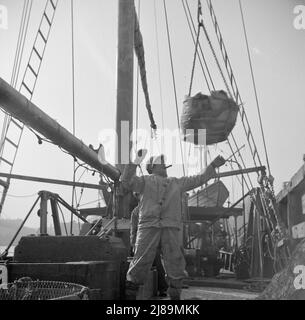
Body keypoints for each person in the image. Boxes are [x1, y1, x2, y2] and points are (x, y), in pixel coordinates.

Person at [122, 150, 226, 300]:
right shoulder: (143, 181)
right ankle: (129, 299)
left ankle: (175, 299)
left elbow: (199, 178)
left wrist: (212, 166)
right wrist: (135, 161)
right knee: (140, 262)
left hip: (169, 227)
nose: (164, 164)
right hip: (149, 226)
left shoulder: (176, 182)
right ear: (151, 167)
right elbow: (126, 181)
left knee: (175, 264)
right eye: (160, 163)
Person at [130, 200, 168, 297]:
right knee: (141, 265)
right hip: (142, 242)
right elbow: (133, 230)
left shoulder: (153, 209)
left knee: (157, 263)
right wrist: (133, 244)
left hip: (152, 241)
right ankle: (138, 288)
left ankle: (162, 288)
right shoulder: (135, 212)